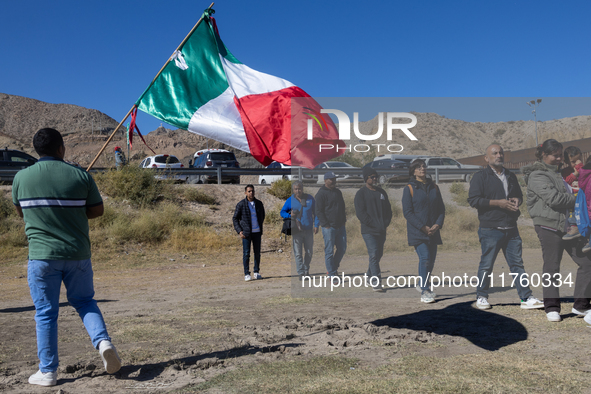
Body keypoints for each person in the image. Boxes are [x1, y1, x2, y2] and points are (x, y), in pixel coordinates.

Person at [12, 128, 121, 387]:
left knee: (46, 313)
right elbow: (97, 211)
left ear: (37, 150)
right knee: (84, 302)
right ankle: (103, 342)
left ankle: (48, 371)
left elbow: (22, 213)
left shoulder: (20, 178)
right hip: (77, 254)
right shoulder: (80, 175)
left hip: (41, 257)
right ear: (61, 148)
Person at [468, 144, 544, 311]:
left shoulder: (510, 175)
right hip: (490, 229)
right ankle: (481, 297)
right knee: (486, 265)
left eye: (501, 152)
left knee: (517, 264)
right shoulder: (480, 177)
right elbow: (474, 200)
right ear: (487, 158)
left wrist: (517, 200)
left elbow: (519, 195)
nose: (499, 155)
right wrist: (498, 203)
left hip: (511, 227)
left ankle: (526, 297)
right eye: (494, 153)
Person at [522, 139, 591, 322]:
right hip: (548, 226)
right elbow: (554, 199)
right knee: (552, 267)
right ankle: (552, 307)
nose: (560, 158)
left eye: (562, 155)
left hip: (568, 227)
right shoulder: (537, 175)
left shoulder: (560, 173)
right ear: (544, 155)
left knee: (586, 262)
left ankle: (581, 306)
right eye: (556, 155)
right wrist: (580, 197)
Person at [402, 159, 445, 303]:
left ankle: (422, 285)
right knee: (425, 258)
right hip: (418, 232)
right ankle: (425, 291)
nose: (422, 169)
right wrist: (423, 227)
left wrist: (437, 224)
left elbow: (441, 209)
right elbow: (407, 213)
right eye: (419, 167)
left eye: (424, 166)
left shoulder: (434, 187)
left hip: (433, 231)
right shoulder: (409, 188)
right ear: (413, 171)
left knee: (431, 262)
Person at [355, 167, 392, 292]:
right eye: (372, 177)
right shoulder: (361, 193)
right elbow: (360, 213)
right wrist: (372, 224)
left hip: (381, 229)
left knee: (378, 254)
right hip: (368, 230)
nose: (375, 178)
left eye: (376, 176)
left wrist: (385, 223)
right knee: (373, 254)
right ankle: (376, 281)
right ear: (366, 178)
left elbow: (388, 210)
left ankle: (369, 274)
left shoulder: (382, 192)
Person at [281, 181, 319, 279]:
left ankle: (306, 270)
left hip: (309, 230)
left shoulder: (310, 198)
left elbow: (316, 212)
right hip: (296, 231)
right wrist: (290, 215)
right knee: (298, 253)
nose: (298, 191)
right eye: (296, 189)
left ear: (302, 189)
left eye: (300, 188)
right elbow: (282, 212)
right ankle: (301, 273)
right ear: (293, 190)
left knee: (309, 252)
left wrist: (316, 225)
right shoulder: (290, 200)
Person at [315, 172, 347, 277]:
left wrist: (343, 220)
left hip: (340, 226)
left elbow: (342, 207)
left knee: (342, 248)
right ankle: (332, 274)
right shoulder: (321, 194)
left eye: (334, 179)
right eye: (330, 179)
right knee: (329, 251)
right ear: (325, 180)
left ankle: (333, 267)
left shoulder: (338, 192)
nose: (333, 181)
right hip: (329, 227)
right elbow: (318, 211)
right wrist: (325, 224)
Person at [233, 184, 265, 281]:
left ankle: (256, 271)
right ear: (245, 192)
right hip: (246, 233)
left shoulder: (259, 203)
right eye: (249, 191)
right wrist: (239, 231)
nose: (251, 193)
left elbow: (262, 216)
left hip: (257, 232)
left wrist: (259, 226)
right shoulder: (241, 204)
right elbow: (235, 218)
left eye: (252, 191)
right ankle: (247, 273)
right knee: (246, 253)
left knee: (257, 253)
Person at [561, 146, 583, 240]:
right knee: (573, 212)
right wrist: (576, 173)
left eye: (579, 160)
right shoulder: (565, 171)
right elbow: (567, 180)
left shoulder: (583, 168)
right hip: (573, 197)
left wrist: (580, 169)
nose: (576, 164)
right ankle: (574, 227)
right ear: (566, 162)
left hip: (583, 196)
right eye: (573, 162)